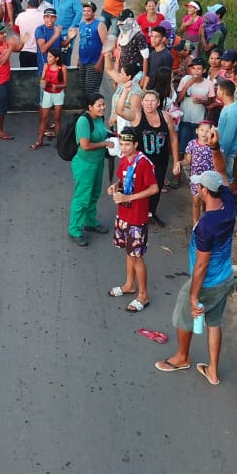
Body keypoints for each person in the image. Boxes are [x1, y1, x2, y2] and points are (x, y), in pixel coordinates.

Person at [156, 152, 237, 386]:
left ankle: (182, 357)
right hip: (225, 277)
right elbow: (222, 172)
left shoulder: (207, 226)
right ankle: (212, 371)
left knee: (184, 316)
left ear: (204, 190)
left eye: (199, 185)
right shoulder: (228, 203)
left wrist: (193, 295)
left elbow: (201, 265)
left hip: (207, 282)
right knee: (214, 322)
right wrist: (215, 148)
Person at [106, 127, 159, 311]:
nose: (123, 147)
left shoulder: (143, 163)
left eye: (127, 144)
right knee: (128, 252)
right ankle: (129, 285)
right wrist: (115, 186)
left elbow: (154, 188)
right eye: (121, 144)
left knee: (137, 256)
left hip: (137, 216)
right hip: (123, 214)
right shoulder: (124, 159)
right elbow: (122, 180)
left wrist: (128, 198)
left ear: (136, 144)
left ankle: (143, 295)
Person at [118, 89, 180, 227]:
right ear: (141, 102)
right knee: (138, 188)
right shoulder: (137, 115)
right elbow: (119, 110)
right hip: (141, 162)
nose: (149, 104)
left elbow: (173, 138)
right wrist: (126, 91)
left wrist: (176, 161)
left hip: (160, 161)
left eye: (152, 101)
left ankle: (151, 213)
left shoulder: (166, 117)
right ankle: (135, 214)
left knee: (156, 188)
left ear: (158, 103)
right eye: (146, 101)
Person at [67, 94, 110, 246]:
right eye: (99, 105)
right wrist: (105, 144)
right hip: (85, 164)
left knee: (94, 194)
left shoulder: (99, 118)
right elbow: (85, 145)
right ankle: (75, 230)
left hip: (97, 163)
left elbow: (103, 132)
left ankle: (90, 222)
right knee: (82, 197)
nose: (103, 107)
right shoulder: (84, 121)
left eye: (103, 104)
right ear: (90, 107)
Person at [176, 56, 216, 154]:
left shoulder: (208, 83)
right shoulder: (186, 79)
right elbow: (178, 99)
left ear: (204, 70)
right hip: (184, 119)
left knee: (197, 150)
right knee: (182, 149)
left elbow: (211, 102)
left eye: (199, 69)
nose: (195, 71)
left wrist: (202, 101)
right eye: (193, 68)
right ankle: (180, 168)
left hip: (199, 122)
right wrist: (187, 86)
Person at [30, 49, 67, 150]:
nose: (48, 58)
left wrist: (57, 87)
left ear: (57, 58)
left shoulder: (63, 68)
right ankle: (39, 140)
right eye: (48, 56)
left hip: (58, 94)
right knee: (44, 118)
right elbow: (42, 80)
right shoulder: (46, 66)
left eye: (50, 57)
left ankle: (59, 141)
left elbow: (65, 84)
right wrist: (43, 83)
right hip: (47, 93)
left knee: (57, 119)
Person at [213, 78, 237, 188]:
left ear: (222, 92)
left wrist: (221, 154)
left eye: (218, 89)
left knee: (224, 178)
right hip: (224, 149)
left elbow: (228, 138)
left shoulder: (231, 112)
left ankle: (226, 201)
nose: (217, 91)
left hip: (226, 151)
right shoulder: (231, 105)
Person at [77, 2, 107, 98]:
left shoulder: (99, 25)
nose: (86, 13)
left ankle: (95, 111)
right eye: (84, 11)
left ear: (93, 12)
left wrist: (100, 62)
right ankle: (86, 110)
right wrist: (78, 59)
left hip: (94, 62)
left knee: (91, 90)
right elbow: (81, 42)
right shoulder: (81, 25)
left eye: (88, 11)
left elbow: (105, 45)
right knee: (83, 88)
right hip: (83, 62)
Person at [34, 7, 63, 73]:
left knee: (58, 83)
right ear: (44, 18)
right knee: (43, 83)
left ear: (55, 18)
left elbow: (61, 44)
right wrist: (55, 36)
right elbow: (43, 50)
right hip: (45, 67)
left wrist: (70, 38)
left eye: (52, 17)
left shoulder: (57, 28)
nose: (49, 19)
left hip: (57, 66)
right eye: (47, 17)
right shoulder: (40, 30)